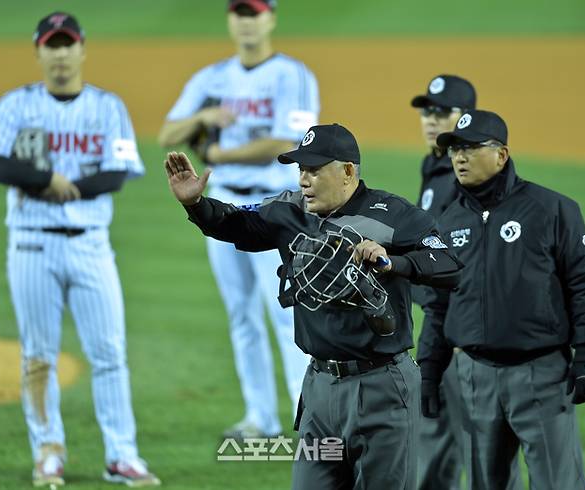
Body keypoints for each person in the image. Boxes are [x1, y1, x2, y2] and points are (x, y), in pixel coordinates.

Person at [164, 123, 463, 489]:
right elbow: (236, 222)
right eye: (300, 169)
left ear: (348, 171)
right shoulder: (290, 209)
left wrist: (393, 263)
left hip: (382, 386)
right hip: (320, 389)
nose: (304, 179)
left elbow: (449, 264)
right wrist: (196, 204)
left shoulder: (392, 214)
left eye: (314, 170)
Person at [0, 12, 159, 487]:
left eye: (67, 44)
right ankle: (48, 454)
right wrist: (42, 179)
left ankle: (122, 455)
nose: (60, 53)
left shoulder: (107, 107)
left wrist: (65, 187)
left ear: (81, 50)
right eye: (51, 45)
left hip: (92, 247)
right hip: (32, 245)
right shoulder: (16, 105)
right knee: (38, 355)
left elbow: (117, 173)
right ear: (39, 52)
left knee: (110, 353)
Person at [418, 110, 585, 490]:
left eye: (471, 148)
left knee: (559, 482)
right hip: (473, 376)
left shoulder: (552, 210)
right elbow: (438, 305)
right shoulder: (448, 222)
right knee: (487, 484)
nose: (460, 157)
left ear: (501, 155)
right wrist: (429, 370)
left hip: (540, 373)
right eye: (455, 149)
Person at [158, 0, 319, 439]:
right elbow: (167, 133)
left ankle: (308, 419)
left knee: (286, 314)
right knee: (241, 315)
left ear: (270, 18)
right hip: (225, 207)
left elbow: (289, 141)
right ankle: (260, 417)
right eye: (240, 13)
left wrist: (219, 152)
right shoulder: (211, 79)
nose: (247, 21)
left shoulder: (293, 75)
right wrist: (203, 116)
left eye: (255, 12)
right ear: (231, 20)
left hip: (277, 209)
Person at [410, 74, 474, 490]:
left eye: (442, 112)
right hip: (436, 324)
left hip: (463, 329)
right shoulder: (433, 165)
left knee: (477, 442)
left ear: (464, 118)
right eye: (426, 112)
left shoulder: (469, 174)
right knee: (432, 433)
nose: (431, 120)